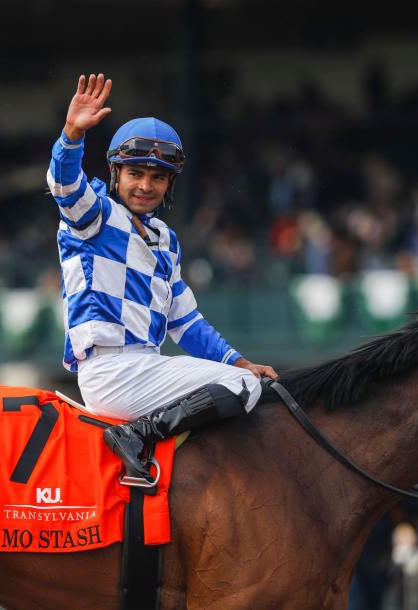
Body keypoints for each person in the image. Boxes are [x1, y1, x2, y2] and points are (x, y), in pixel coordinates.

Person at [46, 73, 277, 484]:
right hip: (111, 371)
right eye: (135, 174)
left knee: (244, 379)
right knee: (242, 387)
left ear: (170, 183)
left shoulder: (166, 241)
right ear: (116, 173)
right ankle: (136, 436)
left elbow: (186, 324)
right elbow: (64, 186)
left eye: (158, 177)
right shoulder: (95, 215)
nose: (145, 186)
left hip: (146, 369)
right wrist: (72, 135)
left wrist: (241, 361)